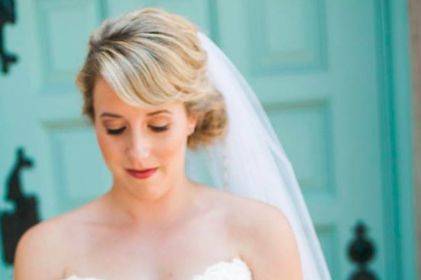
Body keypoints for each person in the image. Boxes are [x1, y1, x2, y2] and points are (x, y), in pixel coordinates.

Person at [13, 7, 330, 280]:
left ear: (192, 116)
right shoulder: (44, 249)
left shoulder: (262, 230)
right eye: (115, 128)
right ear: (94, 119)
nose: (138, 151)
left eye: (158, 125)